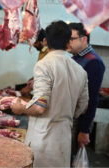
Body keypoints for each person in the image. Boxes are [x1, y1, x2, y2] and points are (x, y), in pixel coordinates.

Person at [11, 20, 89, 167]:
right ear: (68, 44)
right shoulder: (81, 71)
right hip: (64, 140)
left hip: (43, 141)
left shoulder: (44, 65)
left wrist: (20, 108)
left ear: (45, 41)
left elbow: (40, 106)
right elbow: (82, 107)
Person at [68, 23, 105, 157]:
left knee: (71, 159)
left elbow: (93, 98)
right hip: (71, 117)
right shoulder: (76, 57)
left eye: (71, 39)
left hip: (79, 122)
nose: (68, 42)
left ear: (84, 39)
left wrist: (84, 130)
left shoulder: (94, 62)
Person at [20, 28, 48, 97]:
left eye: (35, 43)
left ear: (43, 40)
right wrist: (32, 79)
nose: (34, 45)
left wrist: (30, 87)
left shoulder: (48, 53)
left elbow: (46, 75)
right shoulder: (42, 51)